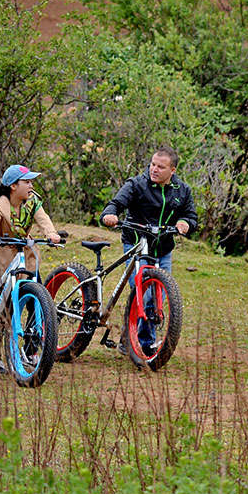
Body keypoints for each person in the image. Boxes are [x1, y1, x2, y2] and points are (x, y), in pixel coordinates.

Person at [100, 145, 198, 354]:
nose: (154, 169)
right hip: (137, 245)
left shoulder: (182, 190)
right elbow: (116, 203)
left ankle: (129, 341)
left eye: (161, 167)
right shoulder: (136, 184)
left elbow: (190, 215)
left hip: (163, 249)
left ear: (172, 170)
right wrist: (110, 215)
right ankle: (144, 344)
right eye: (153, 164)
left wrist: (185, 223)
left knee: (159, 296)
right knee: (144, 294)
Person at [0, 164, 61, 373]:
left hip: (27, 258)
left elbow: (44, 221)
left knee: (36, 303)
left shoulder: (33, 202)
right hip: (4, 258)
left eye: (31, 181)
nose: (31, 185)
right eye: (27, 182)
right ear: (13, 186)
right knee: (2, 310)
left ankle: (30, 351)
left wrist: (51, 234)